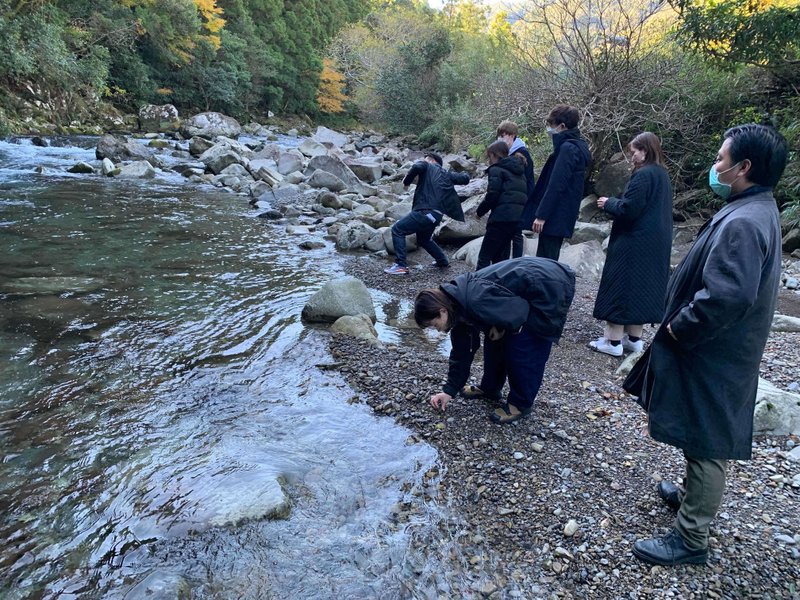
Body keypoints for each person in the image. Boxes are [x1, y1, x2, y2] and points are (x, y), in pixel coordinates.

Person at [632, 124, 787, 566]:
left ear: (744, 167)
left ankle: (691, 539)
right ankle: (689, 499)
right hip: (722, 349)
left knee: (707, 442)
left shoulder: (744, 220)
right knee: (701, 431)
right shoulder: (755, 208)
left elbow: (729, 296)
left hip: (714, 351)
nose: (714, 168)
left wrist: (681, 328)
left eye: (721, 160)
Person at [414, 257, 575, 423]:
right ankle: (490, 388)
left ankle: (520, 404)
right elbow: (463, 351)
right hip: (527, 284)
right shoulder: (455, 304)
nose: (438, 330)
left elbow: (519, 312)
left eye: (434, 325)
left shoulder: (475, 300)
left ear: (442, 311)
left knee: (524, 344)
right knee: (494, 339)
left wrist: (502, 327)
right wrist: (449, 390)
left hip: (549, 284)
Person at [588, 132, 673, 357]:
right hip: (656, 242)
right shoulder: (663, 175)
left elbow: (629, 209)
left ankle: (613, 341)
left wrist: (609, 203)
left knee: (621, 285)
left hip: (634, 241)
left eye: (634, 152)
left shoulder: (643, 175)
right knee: (643, 289)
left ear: (645, 151)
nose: (632, 156)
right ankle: (634, 339)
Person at [520, 105, 592, 261]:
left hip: (555, 215)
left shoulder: (567, 149)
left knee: (546, 261)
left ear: (562, 126)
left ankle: (546, 286)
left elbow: (556, 184)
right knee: (549, 258)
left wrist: (541, 215)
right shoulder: (578, 146)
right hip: (563, 213)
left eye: (552, 125)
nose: (550, 129)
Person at [384, 152, 470, 275]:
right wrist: (465, 171)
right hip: (436, 215)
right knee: (423, 239)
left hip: (425, 211)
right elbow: (465, 179)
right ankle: (442, 260)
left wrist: (407, 182)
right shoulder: (447, 174)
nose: (423, 161)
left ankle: (401, 265)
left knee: (398, 229)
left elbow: (417, 166)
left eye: (425, 160)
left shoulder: (427, 165)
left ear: (431, 160)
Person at [475, 141, 528, 270]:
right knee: (501, 258)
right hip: (516, 219)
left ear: (494, 155)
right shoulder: (520, 171)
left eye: (489, 157)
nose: (489, 160)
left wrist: (479, 212)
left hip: (500, 218)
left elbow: (493, 195)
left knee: (484, 257)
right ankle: (500, 285)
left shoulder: (496, 170)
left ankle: (477, 286)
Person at [495, 120, 536, 258]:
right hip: (511, 199)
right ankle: (505, 262)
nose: (500, 139)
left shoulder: (521, 153)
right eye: (499, 136)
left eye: (503, 135)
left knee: (516, 233)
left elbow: (526, 178)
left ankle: (515, 263)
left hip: (520, 199)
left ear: (512, 135)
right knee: (509, 233)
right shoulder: (508, 153)